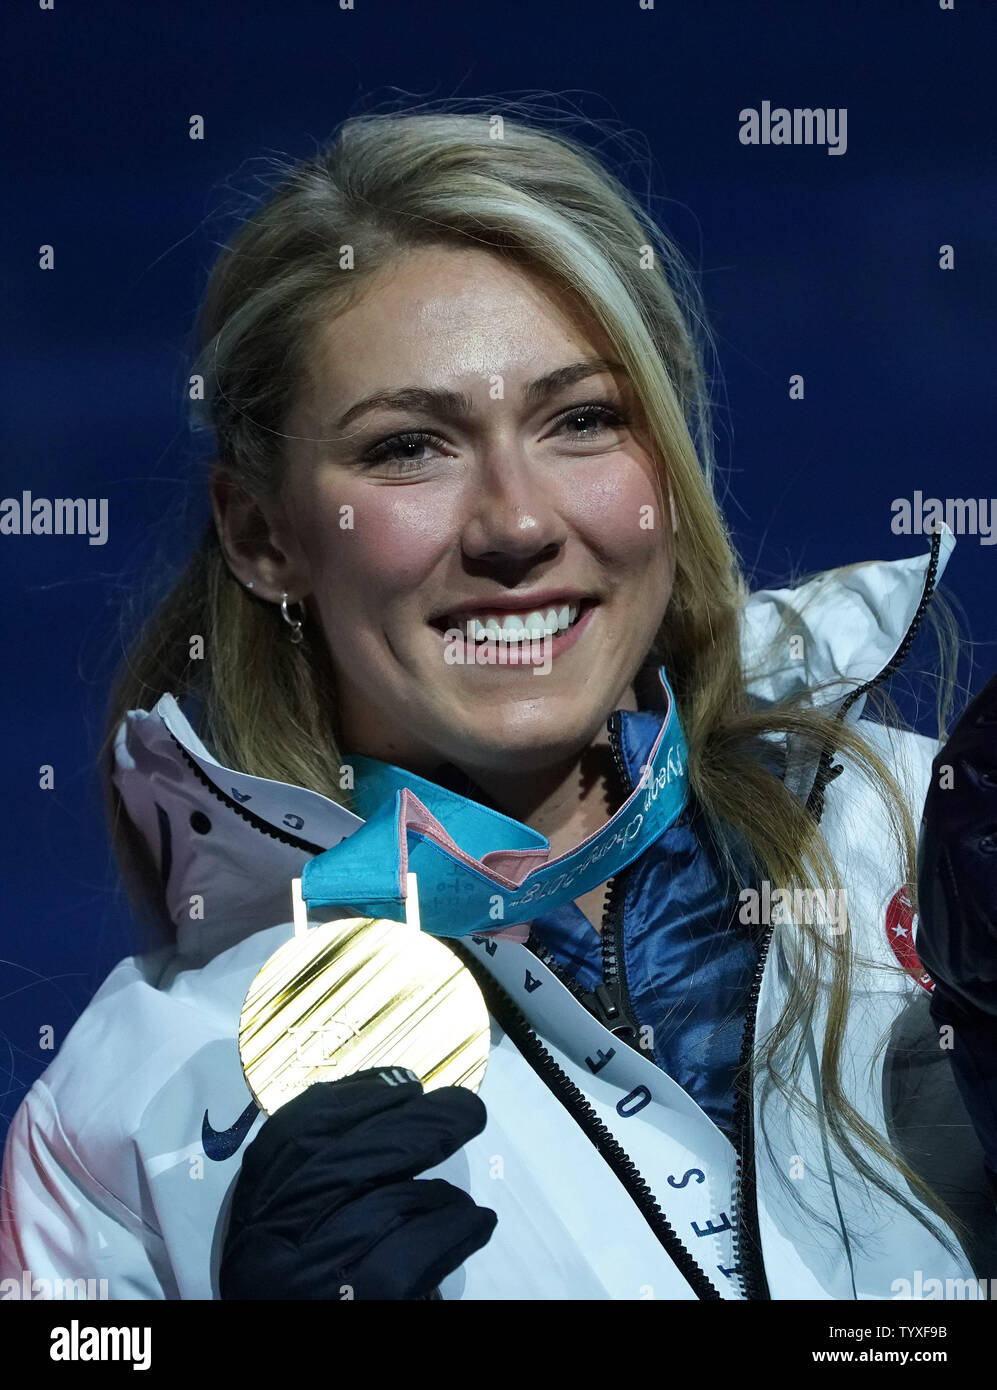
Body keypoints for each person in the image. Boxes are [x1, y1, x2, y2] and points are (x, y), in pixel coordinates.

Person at [1, 104, 994, 1302]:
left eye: (581, 421)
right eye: (409, 447)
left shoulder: (925, 849)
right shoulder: (135, 1102)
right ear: (263, 535)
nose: (518, 523)